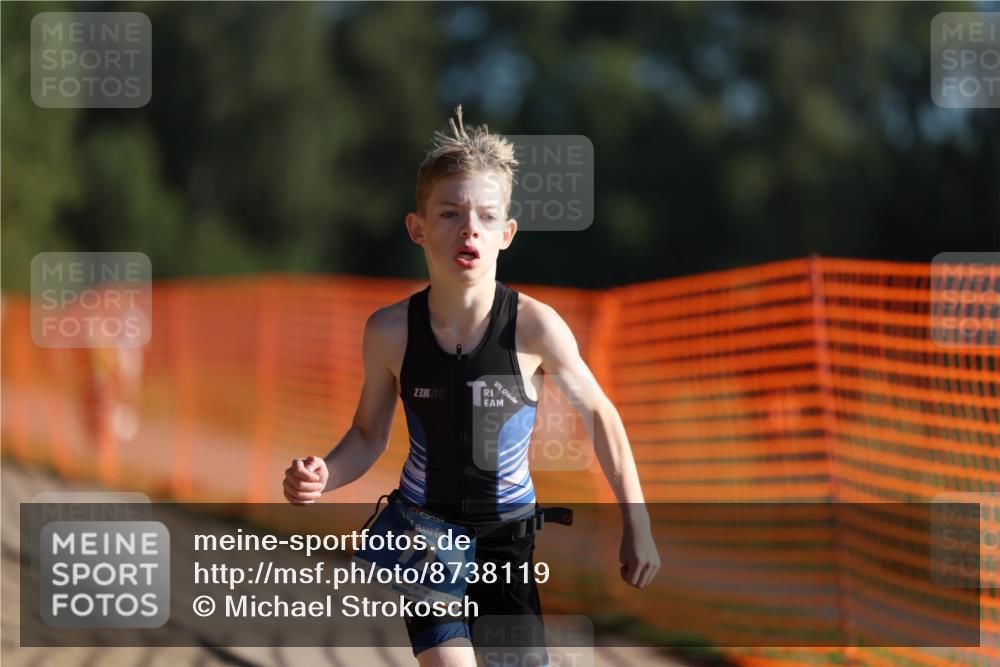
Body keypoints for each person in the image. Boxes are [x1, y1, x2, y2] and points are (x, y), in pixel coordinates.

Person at [283, 106, 660, 667]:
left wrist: (639, 524)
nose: (469, 228)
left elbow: (601, 417)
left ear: (506, 234)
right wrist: (323, 476)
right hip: (424, 535)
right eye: (450, 213)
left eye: (486, 216)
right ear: (418, 227)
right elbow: (367, 434)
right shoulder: (389, 332)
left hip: (506, 542)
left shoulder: (535, 327)